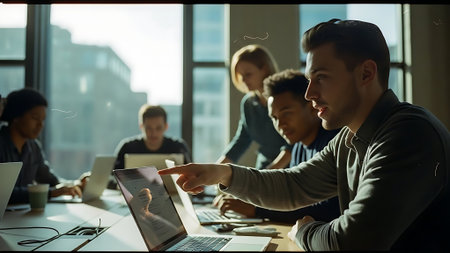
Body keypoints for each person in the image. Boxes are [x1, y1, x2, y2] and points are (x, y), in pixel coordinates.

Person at [159, 19, 450, 251]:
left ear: (366, 74)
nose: (310, 94)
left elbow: (353, 241)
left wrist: (304, 232)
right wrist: (221, 174)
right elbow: (294, 185)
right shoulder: (349, 139)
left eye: (321, 78)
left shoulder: (408, 134)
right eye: (310, 80)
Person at [214, 69, 341, 223]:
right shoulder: (297, 146)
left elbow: (329, 209)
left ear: (312, 108)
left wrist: (256, 209)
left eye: (286, 113)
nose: (280, 124)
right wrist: (248, 200)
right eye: (274, 118)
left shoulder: (334, 143)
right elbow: (292, 198)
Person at [0, 88, 87, 204]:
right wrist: (50, 192)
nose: (40, 125)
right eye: (35, 118)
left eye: (43, 120)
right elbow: (4, 193)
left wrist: (74, 184)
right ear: (16, 117)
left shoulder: (33, 146)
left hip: (23, 216)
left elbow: (50, 180)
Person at [216, 44, 292, 170]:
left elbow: (295, 142)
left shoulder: (285, 98)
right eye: (241, 76)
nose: (244, 80)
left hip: (292, 166)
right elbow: (241, 140)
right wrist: (215, 168)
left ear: (265, 69)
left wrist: (272, 170)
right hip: (265, 166)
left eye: (248, 74)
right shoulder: (248, 103)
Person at [113, 104, 192, 170]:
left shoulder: (179, 147)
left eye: (158, 128)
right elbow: (112, 177)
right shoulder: (127, 147)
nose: (154, 133)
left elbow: (192, 176)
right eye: (148, 128)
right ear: (141, 127)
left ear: (166, 126)